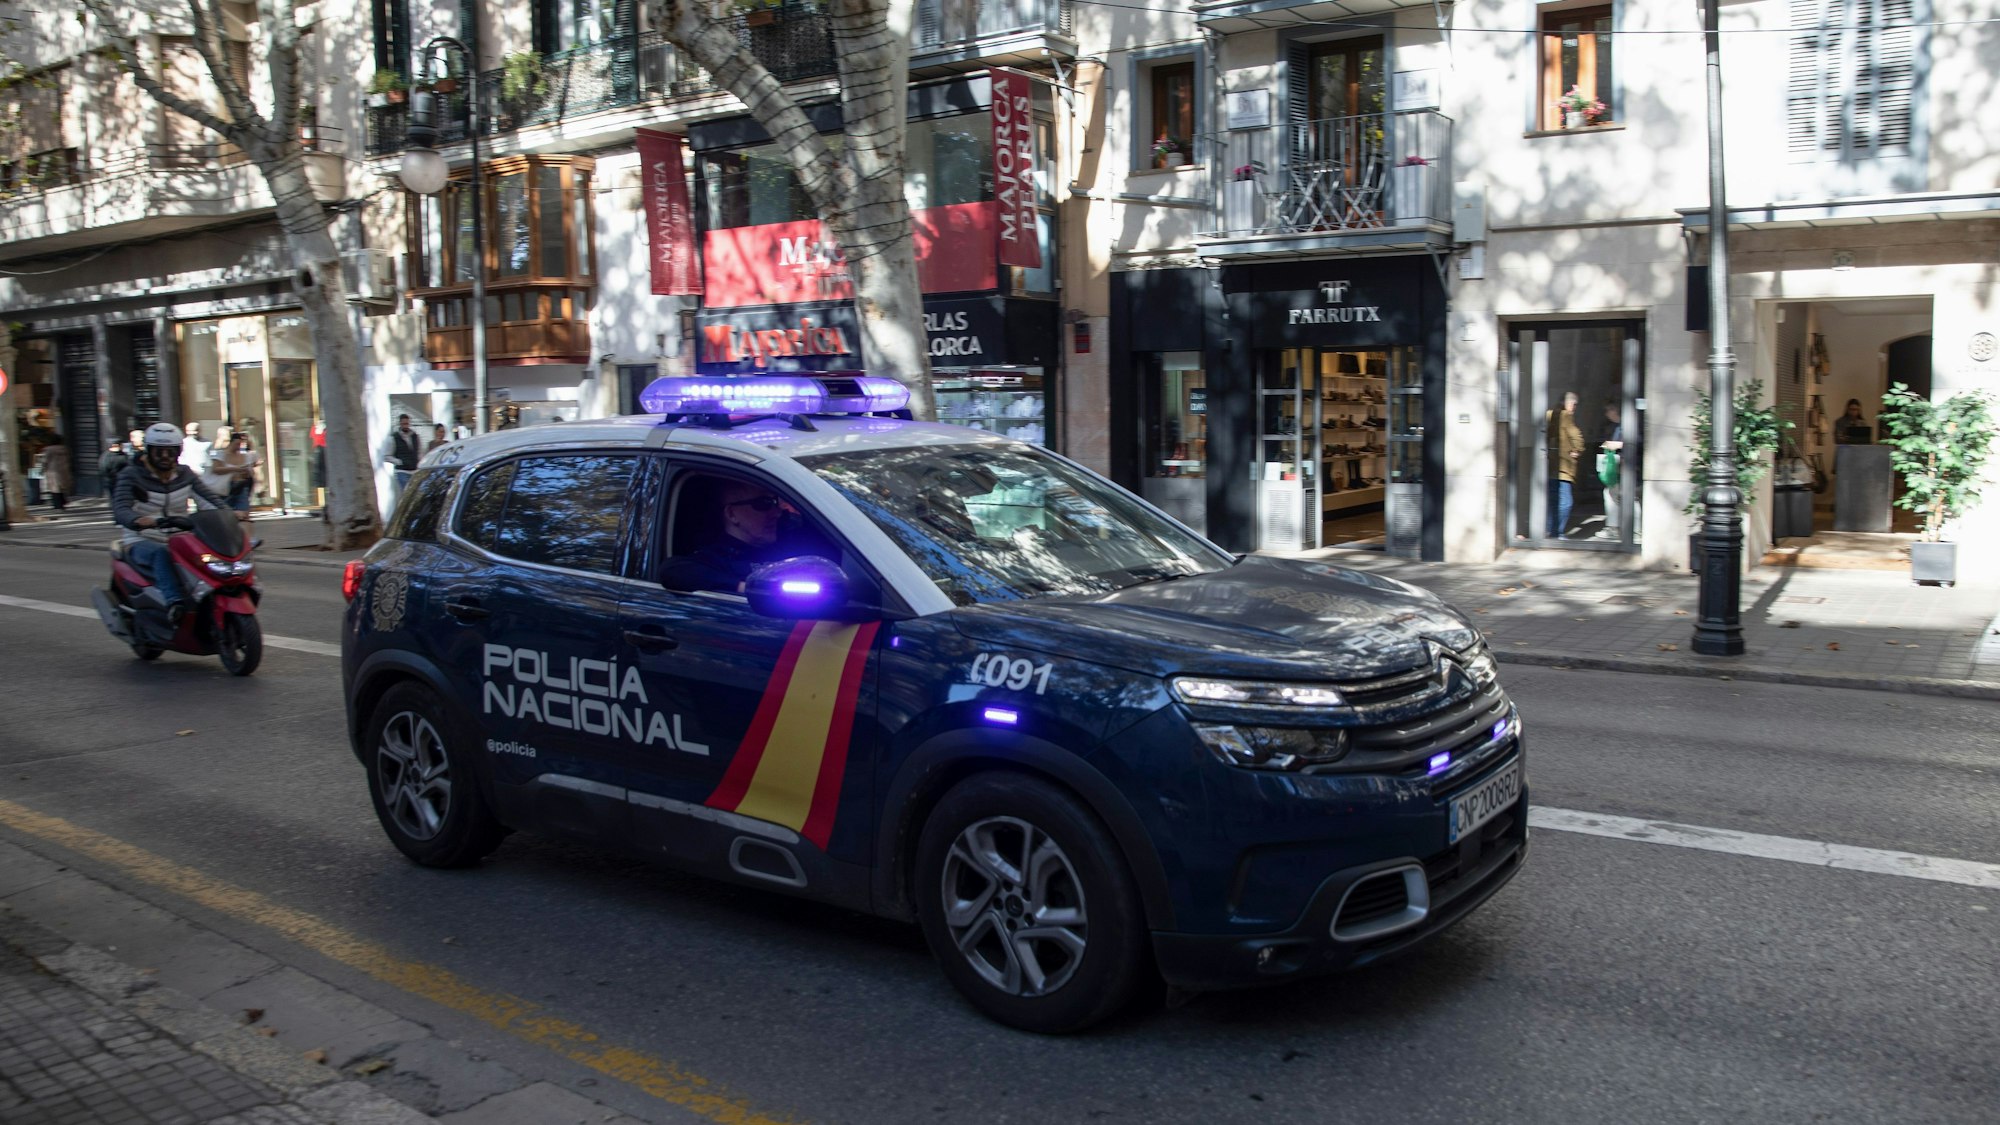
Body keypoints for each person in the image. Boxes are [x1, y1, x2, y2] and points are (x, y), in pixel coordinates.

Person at [112, 423, 245, 623]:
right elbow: (120, 508)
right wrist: (138, 520)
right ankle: (175, 603)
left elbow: (209, 500)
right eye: (159, 451)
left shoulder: (185, 474)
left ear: (179, 451)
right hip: (141, 539)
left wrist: (230, 513)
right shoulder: (131, 475)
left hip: (180, 536)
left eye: (171, 451)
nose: (165, 456)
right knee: (161, 554)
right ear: (148, 451)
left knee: (209, 556)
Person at [660, 479, 818, 594]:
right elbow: (672, 571)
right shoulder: (714, 559)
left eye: (775, 502)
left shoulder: (792, 542)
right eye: (763, 504)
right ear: (731, 514)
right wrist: (744, 588)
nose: (777, 513)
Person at [1544, 391, 1583, 539]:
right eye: (1574, 404)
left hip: (1551, 465)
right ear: (1569, 403)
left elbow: (1547, 435)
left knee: (1553, 500)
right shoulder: (1566, 416)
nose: (1575, 408)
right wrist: (1577, 450)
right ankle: (1557, 532)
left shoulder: (1550, 415)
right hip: (1562, 467)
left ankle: (1550, 530)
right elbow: (1576, 435)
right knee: (1566, 501)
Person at [208, 430, 261, 512]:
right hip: (226, 487)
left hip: (241, 486)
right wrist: (235, 469)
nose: (238, 446)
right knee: (226, 513)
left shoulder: (245, 455)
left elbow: (251, 473)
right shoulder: (220, 454)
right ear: (230, 443)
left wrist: (247, 472)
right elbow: (216, 469)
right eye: (236, 444)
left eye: (240, 444)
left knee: (243, 513)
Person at [1596, 403, 1624, 540]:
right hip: (1619, 465)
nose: (1607, 415)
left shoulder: (1626, 425)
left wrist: (1618, 445)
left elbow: (1637, 440)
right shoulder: (1616, 426)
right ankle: (1631, 529)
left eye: (1608, 412)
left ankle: (1613, 528)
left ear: (1615, 411)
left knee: (1612, 494)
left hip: (1626, 466)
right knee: (1617, 495)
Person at [382, 413, 423, 502]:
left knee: (415, 496)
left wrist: (419, 463)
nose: (406, 426)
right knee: (407, 495)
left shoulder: (415, 436)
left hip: (415, 471)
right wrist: (399, 462)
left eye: (407, 423)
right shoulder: (394, 438)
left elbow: (419, 451)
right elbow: (386, 456)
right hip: (402, 471)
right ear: (400, 424)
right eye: (404, 424)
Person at [37, 438, 71, 510]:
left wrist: (42, 470)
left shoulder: (49, 450)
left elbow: (45, 461)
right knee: (61, 487)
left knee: (54, 488)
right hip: (63, 469)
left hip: (52, 470)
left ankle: (58, 505)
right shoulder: (64, 449)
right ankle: (63, 501)